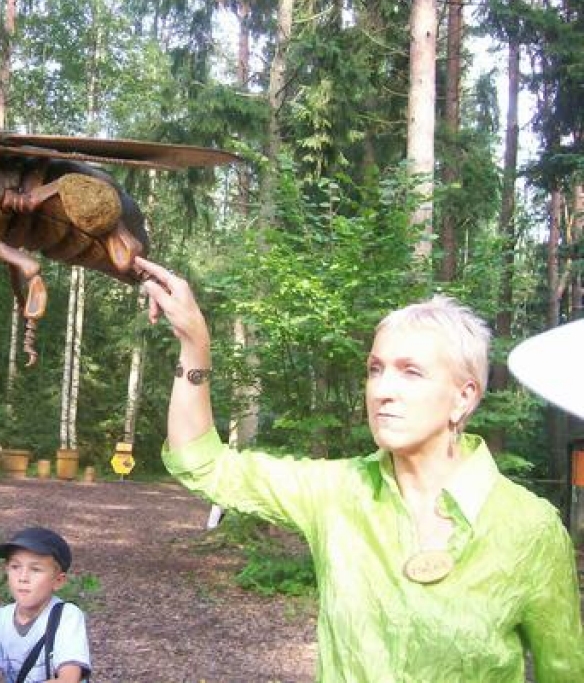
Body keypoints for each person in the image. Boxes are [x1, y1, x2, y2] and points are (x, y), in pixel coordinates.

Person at [135, 255, 584, 682]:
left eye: (411, 372)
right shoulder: (337, 494)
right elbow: (204, 465)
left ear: (464, 397)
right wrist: (195, 342)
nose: (383, 390)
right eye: (375, 369)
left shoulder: (530, 530)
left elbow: (565, 672)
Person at [0, 527, 91, 683]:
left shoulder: (67, 616)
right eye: (15, 567)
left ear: (58, 581)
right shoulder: (0, 619)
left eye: (35, 569)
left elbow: (69, 678)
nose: (23, 577)